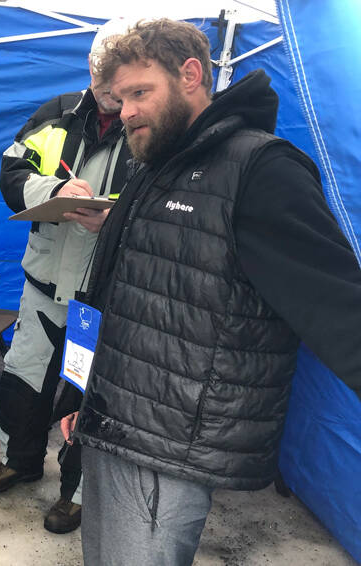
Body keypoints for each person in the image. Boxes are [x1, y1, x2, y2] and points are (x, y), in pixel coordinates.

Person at [59, 18, 361, 566]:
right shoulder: (156, 164)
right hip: (108, 418)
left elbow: (338, 303)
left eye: (139, 93)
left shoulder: (262, 169)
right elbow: (107, 286)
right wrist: (75, 391)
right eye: (120, 98)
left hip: (168, 445)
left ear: (192, 74)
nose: (125, 112)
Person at [0, 19, 132, 534]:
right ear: (89, 67)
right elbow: (11, 171)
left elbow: (170, 208)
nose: (110, 92)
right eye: (101, 78)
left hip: (103, 300)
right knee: (22, 379)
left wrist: (115, 219)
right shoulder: (58, 114)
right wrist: (50, 196)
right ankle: (19, 462)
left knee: (90, 398)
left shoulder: (152, 127)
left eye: (120, 80)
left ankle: (77, 493)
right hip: (43, 286)